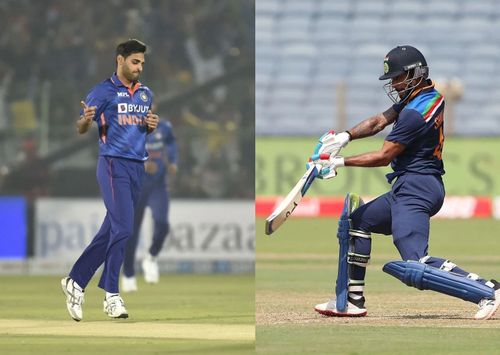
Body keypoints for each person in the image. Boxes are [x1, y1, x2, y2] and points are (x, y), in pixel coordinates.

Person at [310, 45, 499, 320]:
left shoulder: (414, 114)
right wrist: (344, 137)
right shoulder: (425, 97)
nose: (394, 84)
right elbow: (378, 121)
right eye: (393, 79)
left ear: (417, 73)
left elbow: (384, 155)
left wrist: (339, 162)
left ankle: (486, 291)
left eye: (399, 77)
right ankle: (353, 299)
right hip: (412, 185)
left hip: (416, 187)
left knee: (415, 263)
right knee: (359, 222)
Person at [61, 39, 159, 321]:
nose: (139, 67)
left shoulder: (145, 95)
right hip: (112, 165)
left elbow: (138, 131)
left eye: (142, 63)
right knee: (125, 228)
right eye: (135, 62)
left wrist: (149, 127)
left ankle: (76, 281)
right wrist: (85, 120)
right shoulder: (103, 91)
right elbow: (81, 127)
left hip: (137, 167)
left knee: (113, 230)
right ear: (120, 60)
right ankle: (112, 295)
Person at [121, 110, 178, 292]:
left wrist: (173, 161)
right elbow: (120, 152)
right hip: (136, 185)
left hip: (157, 186)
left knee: (162, 223)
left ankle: (151, 257)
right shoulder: (129, 127)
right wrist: (142, 164)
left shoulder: (164, 127)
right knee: (132, 232)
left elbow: (171, 144)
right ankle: (128, 274)